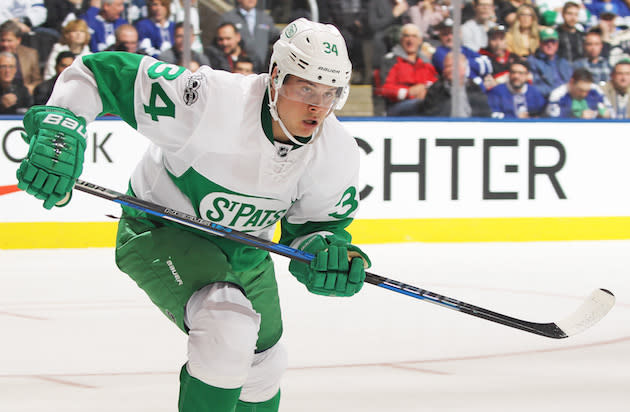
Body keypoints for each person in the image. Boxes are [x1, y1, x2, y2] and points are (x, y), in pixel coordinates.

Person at [15, 17, 370, 412]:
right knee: (227, 326)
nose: (317, 106)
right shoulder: (210, 101)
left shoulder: (336, 150)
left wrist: (326, 254)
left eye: (329, 93)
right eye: (306, 88)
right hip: (162, 227)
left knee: (264, 365)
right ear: (275, 77)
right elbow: (98, 74)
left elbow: (317, 227)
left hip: (246, 250)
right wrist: (63, 126)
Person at [378, 23, 438, 116]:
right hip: (398, 106)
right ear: (401, 39)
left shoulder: (426, 63)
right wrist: (408, 92)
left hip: (425, 102)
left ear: (420, 40)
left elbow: (435, 83)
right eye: (407, 36)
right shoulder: (390, 61)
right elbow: (384, 88)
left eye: (414, 36)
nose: (410, 40)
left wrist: (426, 91)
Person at [419, 50, 492, 117]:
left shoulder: (474, 88)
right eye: (448, 66)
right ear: (444, 70)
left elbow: (485, 114)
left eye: (455, 66)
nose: (451, 69)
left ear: (464, 69)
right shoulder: (435, 90)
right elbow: (431, 116)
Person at [219, 0, 281, 69]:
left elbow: (277, 37)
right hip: (238, 68)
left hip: (261, 68)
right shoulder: (228, 17)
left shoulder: (265, 18)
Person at [546, 67, 611, 118]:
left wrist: (604, 115)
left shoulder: (595, 90)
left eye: (587, 91)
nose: (584, 94)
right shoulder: (558, 95)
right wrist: (578, 118)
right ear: (571, 82)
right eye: (580, 90)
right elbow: (553, 120)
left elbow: (612, 112)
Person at [528, 27, 573, 99]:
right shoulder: (533, 62)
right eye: (546, 42)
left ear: (557, 44)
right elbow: (534, 86)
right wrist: (556, 91)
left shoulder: (563, 62)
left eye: (553, 42)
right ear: (540, 43)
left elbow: (571, 81)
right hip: (547, 99)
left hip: (567, 98)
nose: (550, 45)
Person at [0, 19, 41, 94]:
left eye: (9, 41)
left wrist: (32, 87)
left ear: (18, 40)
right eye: (2, 40)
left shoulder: (30, 54)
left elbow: (37, 80)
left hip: (23, 95)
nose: (5, 44)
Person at [480, 24, 513, 89]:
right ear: (488, 41)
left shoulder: (515, 58)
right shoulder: (482, 58)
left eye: (501, 39)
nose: (498, 43)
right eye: (494, 39)